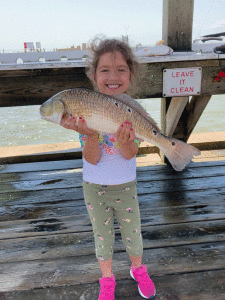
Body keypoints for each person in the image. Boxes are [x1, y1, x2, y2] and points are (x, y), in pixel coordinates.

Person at [60, 38, 156, 300]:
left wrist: (127, 142)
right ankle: (107, 278)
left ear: (130, 75)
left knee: (133, 236)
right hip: (94, 189)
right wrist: (90, 136)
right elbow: (91, 160)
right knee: (102, 238)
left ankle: (138, 269)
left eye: (121, 69)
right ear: (93, 76)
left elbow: (130, 154)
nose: (113, 76)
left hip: (126, 187)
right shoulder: (86, 110)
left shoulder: (135, 111)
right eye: (105, 70)